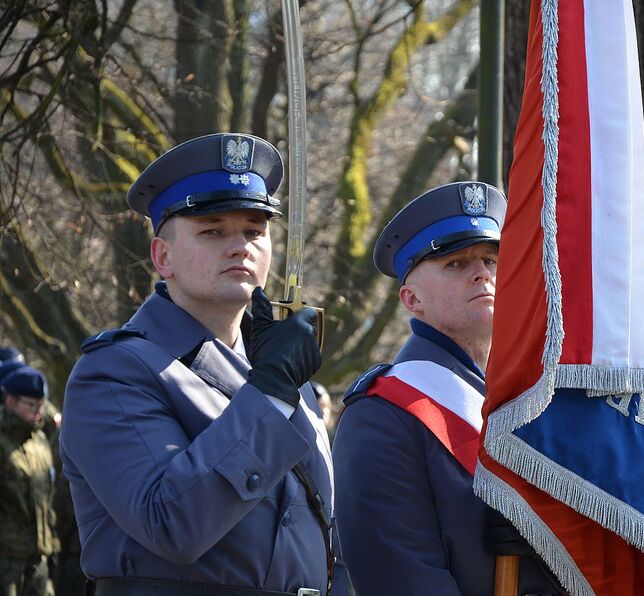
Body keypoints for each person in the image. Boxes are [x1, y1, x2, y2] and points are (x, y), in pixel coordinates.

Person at [60, 133, 347, 596]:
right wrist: (271, 392)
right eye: (212, 231)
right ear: (163, 256)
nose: (240, 247)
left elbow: (322, 531)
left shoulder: (281, 372)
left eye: (254, 231)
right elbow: (170, 523)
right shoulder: (114, 371)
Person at [332, 182, 563, 595]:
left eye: (491, 259)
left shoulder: (539, 399)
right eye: (455, 263)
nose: (482, 273)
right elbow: (401, 577)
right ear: (411, 299)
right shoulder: (382, 414)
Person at [0, 366, 56, 596]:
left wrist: (52, 545)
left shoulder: (40, 441)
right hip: (6, 561)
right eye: (31, 405)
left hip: (38, 559)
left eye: (41, 405)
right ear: (10, 401)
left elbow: (47, 499)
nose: (38, 412)